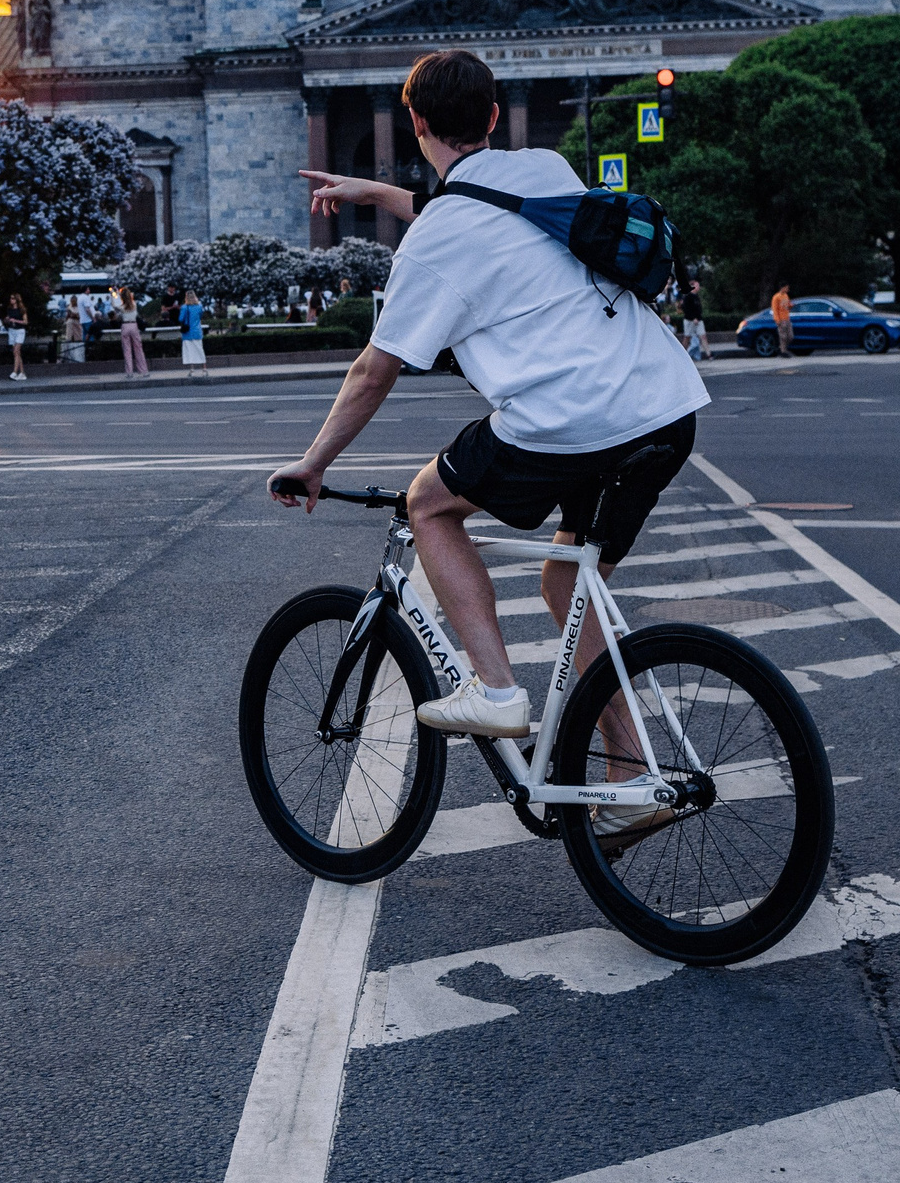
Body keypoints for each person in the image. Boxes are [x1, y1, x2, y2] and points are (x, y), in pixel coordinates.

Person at [273, 49, 707, 838]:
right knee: (566, 583)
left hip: (569, 417)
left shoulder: (438, 236)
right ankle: (633, 769)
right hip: (666, 403)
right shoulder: (542, 167)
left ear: (416, 122)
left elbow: (376, 369)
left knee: (429, 503)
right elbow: (479, 213)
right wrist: (378, 193)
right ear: (497, 117)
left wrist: (314, 462)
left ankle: (498, 690)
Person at [116, 287, 150, 378]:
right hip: (134, 326)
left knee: (127, 350)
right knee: (138, 349)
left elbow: (117, 313)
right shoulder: (134, 304)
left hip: (125, 326)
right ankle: (144, 371)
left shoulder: (121, 307)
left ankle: (129, 372)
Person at [179, 289, 208, 375]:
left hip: (187, 333)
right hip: (197, 331)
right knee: (200, 350)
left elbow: (180, 319)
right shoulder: (199, 306)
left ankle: (192, 370)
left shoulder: (184, 307)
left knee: (190, 351)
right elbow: (200, 316)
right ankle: (204, 369)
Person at [678, 278, 708, 361]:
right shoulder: (688, 297)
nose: (698, 287)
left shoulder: (696, 297)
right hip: (689, 320)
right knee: (687, 337)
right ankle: (682, 353)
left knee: (703, 336)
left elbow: (699, 309)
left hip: (698, 320)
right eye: (697, 285)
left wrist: (698, 317)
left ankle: (709, 354)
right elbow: (686, 309)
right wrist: (693, 318)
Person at [6, 294, 30, 382]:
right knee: (16, 352)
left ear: (16, 300)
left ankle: (15, 372)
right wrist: (7, 319)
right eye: (10, 298)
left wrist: (15, 320)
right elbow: (8, 318)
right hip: (12, 330)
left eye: (12, 298)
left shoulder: (22, 310)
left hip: (19, 330)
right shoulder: (10, 309)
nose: (11, 300)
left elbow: (25, 322)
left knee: (16, 350)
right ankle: (22, 372)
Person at [770, 283, 793, 358]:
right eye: (786, 288)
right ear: (782, 288)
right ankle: (783, 351)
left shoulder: (786, 296)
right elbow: (775, 309)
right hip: (781, 319)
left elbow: (788, 305)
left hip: (787, 318)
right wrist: (777, 320)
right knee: (783, 336)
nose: (787, 289)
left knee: (790, 336)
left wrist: (790, 306)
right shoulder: (776, 297)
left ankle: (781, 348)